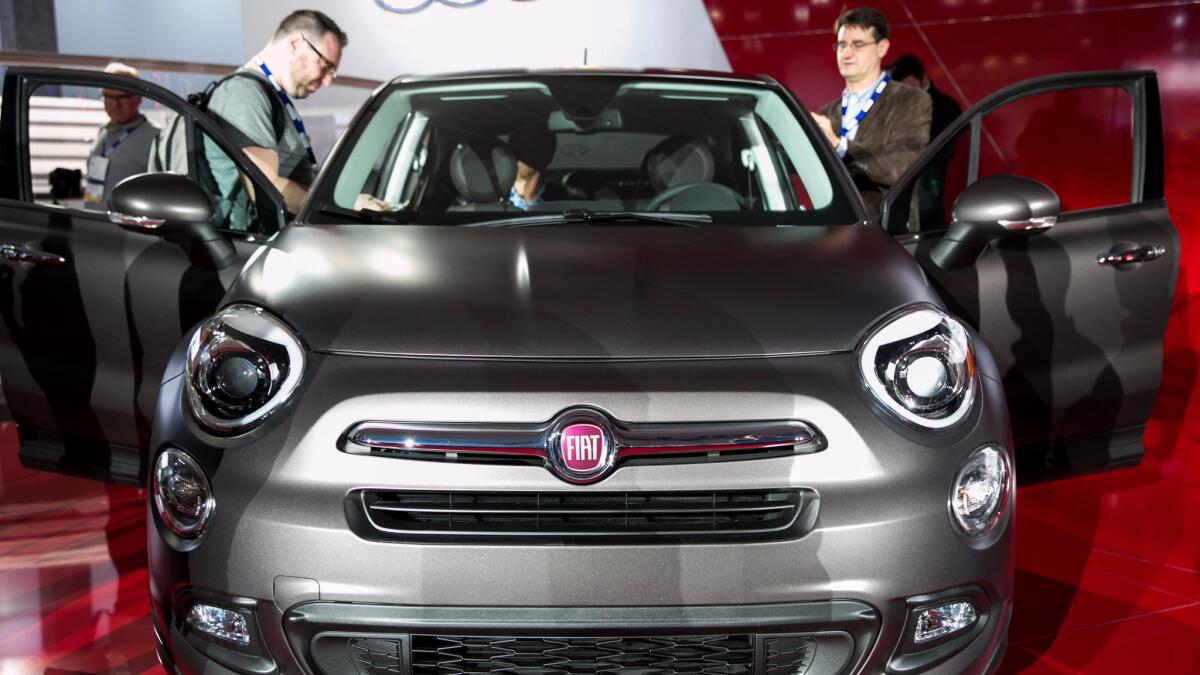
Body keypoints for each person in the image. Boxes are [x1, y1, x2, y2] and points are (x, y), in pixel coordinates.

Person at [204, 10, 368, 227]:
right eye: (326, 65)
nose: (328, 80)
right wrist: (343, 205)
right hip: (254, 251)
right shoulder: (243, 93)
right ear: (295, 43)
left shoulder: (270, 96)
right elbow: (265, 188)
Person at [810, 6, 931, 218]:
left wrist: (840, 147)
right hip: (833, 230)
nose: (846, 53)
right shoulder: (827, 113)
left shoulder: (910, 100)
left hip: (886, 233)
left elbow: (904, 166)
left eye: (858, 45)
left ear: (882, 47)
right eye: (841, 45)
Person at [889, 53, 963, 228]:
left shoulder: (945, 107)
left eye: (912, 87)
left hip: (930, 188)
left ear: (924, 79)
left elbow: (944, 150)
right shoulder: (895, 106)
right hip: (899, 188)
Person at [83, 62, 159, 207]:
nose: (114, 104)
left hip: (126, 227)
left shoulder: (156, 137)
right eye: (108, 96)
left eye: (121, 97)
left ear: (139, 97)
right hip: (92, 223)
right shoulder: (103, 133)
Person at [506, 125, 561, 210]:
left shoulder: (560, 198)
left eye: (526, 151)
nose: (517, 158)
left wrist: (531, 201)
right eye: (515, 150)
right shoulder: (492, 193)